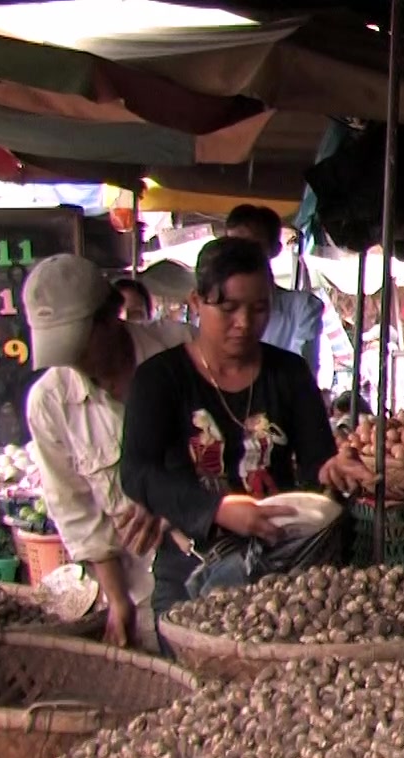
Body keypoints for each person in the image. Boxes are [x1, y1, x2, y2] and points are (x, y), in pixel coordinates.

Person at [122, 237, 357, 618]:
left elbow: (316, 462)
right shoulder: (160, 378)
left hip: (282, 568)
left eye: (259, 308)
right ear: (197, 303)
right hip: (191, 567)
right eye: (229, 308)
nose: (245, 323)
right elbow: (136, 473)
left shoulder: (289, 373)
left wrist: (332, 470)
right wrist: (218, 509)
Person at [24, 255, 194, 648]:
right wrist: (117, 601)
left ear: (111, 315)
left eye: (80, 346)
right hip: (139, 591)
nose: (75, 362)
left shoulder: (182, 350)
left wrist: (167, 499)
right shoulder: (49, 403)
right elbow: (76, 509)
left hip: (211, 569)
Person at [223, 203, 326, 378]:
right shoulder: (215, 308)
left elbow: (298, 380)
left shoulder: (302, 308)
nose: (240, 254)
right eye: (232, 246)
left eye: (251, 246)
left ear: (275, 250)